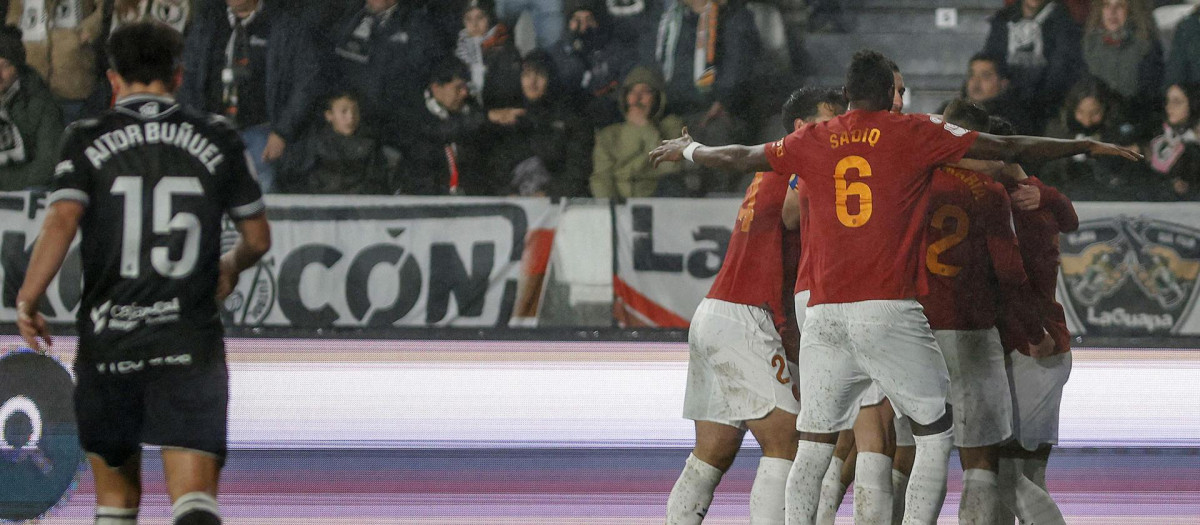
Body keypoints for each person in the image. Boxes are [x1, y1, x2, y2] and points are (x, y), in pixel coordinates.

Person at [649, 49, 1139, 525]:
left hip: (821, 312)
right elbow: (1008, 148)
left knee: (816, 442)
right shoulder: (914, 132)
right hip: (887, 309)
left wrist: (690, 149)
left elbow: (743, 156)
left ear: (847, 95)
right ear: (889, 94)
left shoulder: (814, 137)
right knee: (933, 434)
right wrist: (1084, 144)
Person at [15, 21, 270, 525]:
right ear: (177, 75)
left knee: (115, 502)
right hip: (189, 342)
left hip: (111, 342)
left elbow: (63, 218)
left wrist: (29, 297)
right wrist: (231, 264)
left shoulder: (86, 137)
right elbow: (258, 238)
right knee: (194, 500)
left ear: (112, 79)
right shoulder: (216, 135)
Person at [664, 86, 840, 525]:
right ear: (801, 128)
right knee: (788, 442)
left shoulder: (768, 168)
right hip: (747, 319)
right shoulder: (797, 169)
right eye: (830, 120)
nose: (838, 131)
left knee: (713, 453)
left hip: (717, 314)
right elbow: (790, 215)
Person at [989, 116, 1078, 525]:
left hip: (1031, 347)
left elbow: (1012, 280)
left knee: (1002, 475)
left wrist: (1032, 332)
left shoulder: (1009, 205)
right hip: (1046, 346)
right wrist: (1047, 193)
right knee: (1028, 474)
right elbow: (1071, 219)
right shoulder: (1036, 196)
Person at [178, 0, 322, 194]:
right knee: (210, 203)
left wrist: (282, 131)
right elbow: (187, 76)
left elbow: (306, 83)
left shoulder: (284, 27)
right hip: (212, 134)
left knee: (262, 209)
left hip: (262, 135)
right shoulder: (208, 24)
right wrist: (194, 125)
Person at [330, 0, 445, 156]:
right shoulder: (349, 17)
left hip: (400, 132)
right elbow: (334, 65)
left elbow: (423, 75)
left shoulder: (417, 23)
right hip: (354, 129)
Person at [405, 57, 523, 195]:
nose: (464, 93)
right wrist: (486, 118)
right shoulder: (415, 115)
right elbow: (438, 132)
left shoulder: (472, 113)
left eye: (465, 87)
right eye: (458, 87)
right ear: (436, 88)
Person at [488, 51, 592, 197]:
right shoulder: (510, 116)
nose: (532, 82)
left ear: (551, 79)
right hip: (513, 204)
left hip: (556, 203)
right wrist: (507, 193)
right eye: (526, 75)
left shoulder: (571, 118)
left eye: (540, 75)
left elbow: (578, 170)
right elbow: (495, 168)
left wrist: (548, 193)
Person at [983, 0, 1084, 131]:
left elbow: (1064, 67)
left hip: (1048, 108)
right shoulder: (1003, 19)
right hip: (1005, 104)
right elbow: (991, 59)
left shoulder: (1062, 20)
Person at [277, 91, 394, 195]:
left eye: (355, 111)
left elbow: (377, 183)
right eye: (344, 111)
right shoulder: (316, 144)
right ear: (329, 115)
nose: (351, 117)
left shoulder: (370, 145)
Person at [591, 66, 683, 197]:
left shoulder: (671, 126)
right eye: (632, 92)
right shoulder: (609, 134)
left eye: (645, 91)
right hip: (619, 204)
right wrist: (613, 210)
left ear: (657, 98)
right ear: (625, 98)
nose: (637, 98)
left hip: (658, 201)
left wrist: (645, 128)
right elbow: (601, 178)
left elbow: (671, 167)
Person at [549, 0, 639, 127]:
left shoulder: (615, 49)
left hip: (608, 118)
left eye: (588, 19)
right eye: (577, 19)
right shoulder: (557, 53)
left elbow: (627, 82)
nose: (584, 26)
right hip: (570, 120)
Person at [0, 25, 64, 192]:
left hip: (25, 193)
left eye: (5, 65)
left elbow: (47, 165)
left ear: (18, 68)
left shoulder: (41, 102)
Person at [1081, 0, 1163, 119]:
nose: (1112, 12)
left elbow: (1150, 94)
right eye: (1106, 5)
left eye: (1119, 6)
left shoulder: (1145, 46)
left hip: (1134, 118)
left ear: (1130, 10)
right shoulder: (1090, 44)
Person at [946, 54, 1038, 135]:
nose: (976, 82)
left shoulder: (1015, 119)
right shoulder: (948, 109)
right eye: (971, 75)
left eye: (985, 76)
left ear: (1003, 83)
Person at [1147, 83, 1200, 200]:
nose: (1169, 107)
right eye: (1168, 101)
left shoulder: (1195, 145)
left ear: (1193, 104)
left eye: (1177, 102)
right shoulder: (1158, 136)